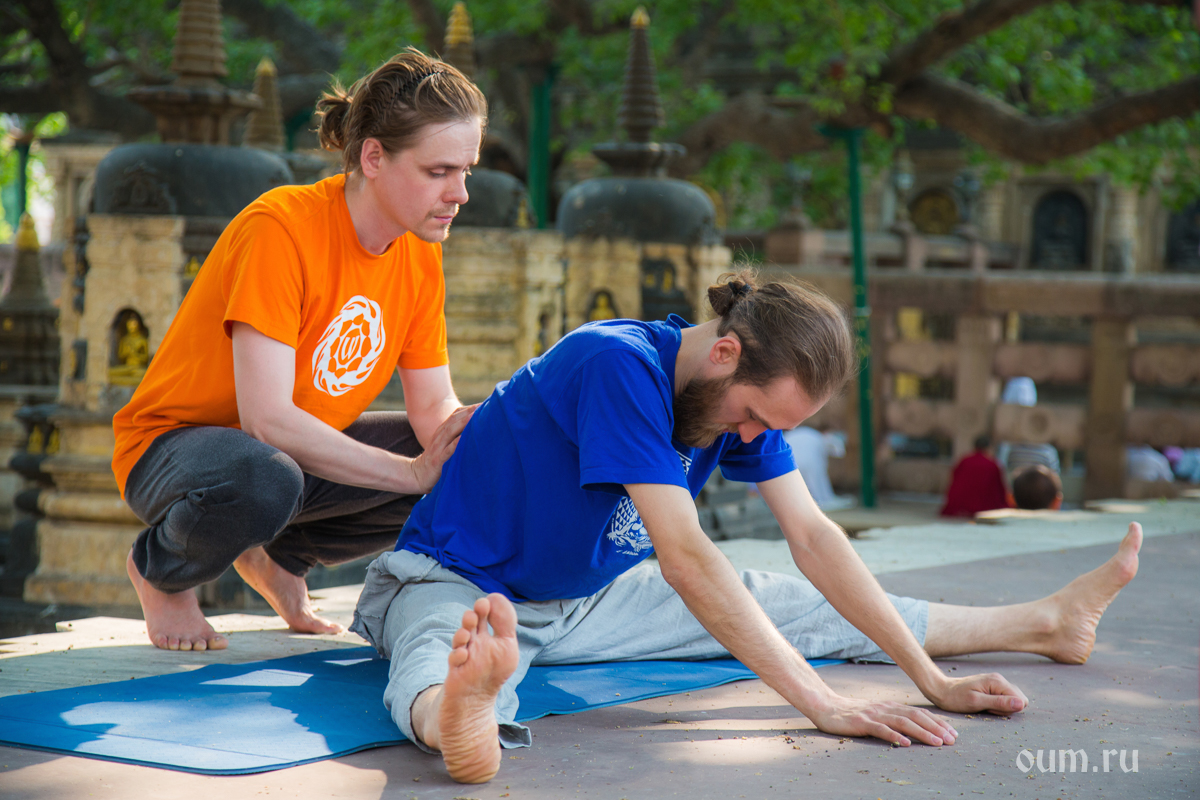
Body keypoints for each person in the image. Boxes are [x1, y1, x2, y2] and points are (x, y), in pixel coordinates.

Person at [350, 273, 1143, 784]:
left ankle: (1041, 624)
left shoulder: (739, 406)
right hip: (458, 580)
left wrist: (930, 681)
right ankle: (458, 719)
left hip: (586, 601)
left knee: (790, 601)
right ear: (725, 352)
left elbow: (816, 539)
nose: (756, 437)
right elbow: (687, 557)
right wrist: (819, 702)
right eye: (757, 416)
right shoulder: (616, 363)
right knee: (439, 647)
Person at [112, 49, 486, 652]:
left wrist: (479, 443)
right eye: (439, 171)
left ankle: (281, 559)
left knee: (471, 461)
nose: (461, 193)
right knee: (266, 477)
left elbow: (433, 406)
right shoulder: (281, 228)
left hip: (282, 462)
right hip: (173, 453)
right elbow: (267, 420)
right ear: (374, 157)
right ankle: (161, 572)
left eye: (466, 170)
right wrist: (411, 474)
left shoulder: (420, 254)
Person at [940, 435, 1011, 518]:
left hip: (962, 505)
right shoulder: (992, 464)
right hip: (984, 505)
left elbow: (954, 482)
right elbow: (999, 488)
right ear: (988, 447)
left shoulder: (964, 461)